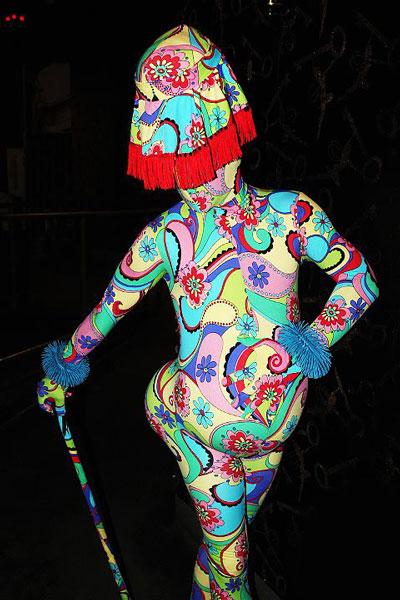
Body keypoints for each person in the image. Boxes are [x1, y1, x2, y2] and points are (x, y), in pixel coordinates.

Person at [36, 24, 380, 600]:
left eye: (203, 153)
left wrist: (311, 341)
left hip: (270, 432)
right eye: (180, 163)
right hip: (199, 423)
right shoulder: (167, 235)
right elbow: (108, 308)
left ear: (230, 136)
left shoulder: (290, 214)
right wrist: (62, 367)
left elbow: (359, 280)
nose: (196, 176)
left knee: (217, 559)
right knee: (233, 572)